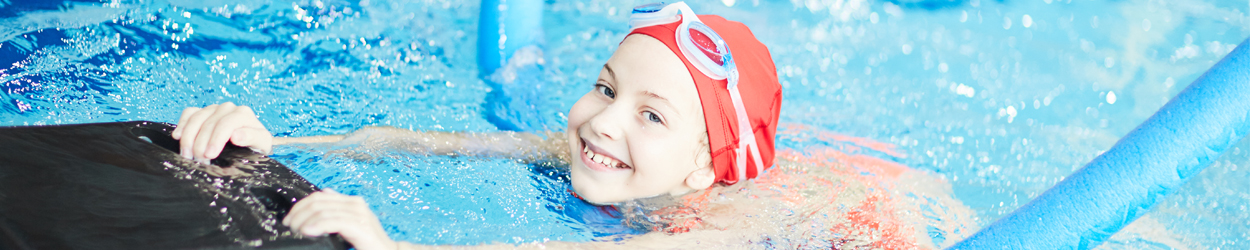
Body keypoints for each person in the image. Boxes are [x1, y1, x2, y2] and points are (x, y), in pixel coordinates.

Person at [171, 2, 971, 249]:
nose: (601, 120)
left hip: (885, 215)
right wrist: (282, 141)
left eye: (650, 113)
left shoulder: (703, 227)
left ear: (701, 168)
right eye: (604, 86)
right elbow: (423, 144)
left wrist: (396, 246)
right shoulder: (601, 144)